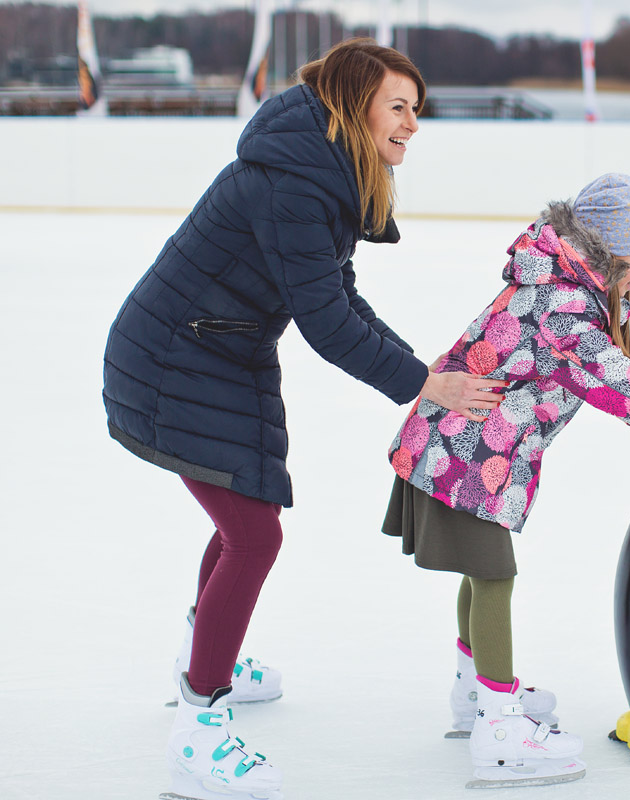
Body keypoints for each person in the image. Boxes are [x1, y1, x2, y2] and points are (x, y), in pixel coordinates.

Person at [102, 39, 505, 800]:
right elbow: (325, 323)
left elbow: (340, 297)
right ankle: (200, 720)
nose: (413, 124)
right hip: (173, 360)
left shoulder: (320, 174)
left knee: (241, 528)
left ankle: (205, 655)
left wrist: (424, 374)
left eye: (417, 110)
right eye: (398, 106)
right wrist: (427, 386)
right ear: (355, 105)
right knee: (255, 535)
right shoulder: (296, 183)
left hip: (215, 351)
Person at [382, 173, 630, 788]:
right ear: (610, 250)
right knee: (494, 577)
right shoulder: (562, 306)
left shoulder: (558, 287)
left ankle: (478, 693)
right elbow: (616, 382)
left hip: (461, 445)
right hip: (467, 450)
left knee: (481, 572)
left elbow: (611, 366)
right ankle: (499, 726)